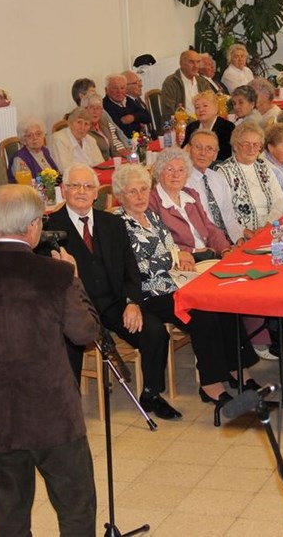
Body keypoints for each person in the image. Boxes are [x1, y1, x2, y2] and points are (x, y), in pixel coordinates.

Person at [0, 184, 99, 534]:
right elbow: (85, 332)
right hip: (54, 417)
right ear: (32, 226)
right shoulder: (56, 274)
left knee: (10, 518)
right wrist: (75, 279)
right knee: (75, 510)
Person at [111, 164, 258, 414]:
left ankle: (239, 370)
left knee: (221, 302)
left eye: (144, 189)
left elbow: (173, 248)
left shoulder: (152, 217)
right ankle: (211, 384)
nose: (140, 196)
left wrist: (182, 258)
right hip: (148, 293)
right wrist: (173, 258)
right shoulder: (117, 224)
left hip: (175, 282)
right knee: (202, 313)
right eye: (132, 192)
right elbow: (133, 267)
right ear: (120, 196)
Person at [43, 164, 181, 420]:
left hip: (115, 303)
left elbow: (131, 269)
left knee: (155, 332)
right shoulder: (49, 227)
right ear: (64, 190)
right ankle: (68, 408)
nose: (81, 191)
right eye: (74, 186)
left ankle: (151, 394)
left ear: (96, 193)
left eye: (88, 186)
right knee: (67, 342)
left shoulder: (112, 223)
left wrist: (132, 302)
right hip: (75, 308)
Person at [148, 147, 230, 260]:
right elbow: (158, 241)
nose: (176, 175)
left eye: (181, 170)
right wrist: (193, 251)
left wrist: (224, 249)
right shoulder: (151, 201)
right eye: (170, 170)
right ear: (159, 172)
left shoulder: (191, 195)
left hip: (208, 255)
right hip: (183, 260)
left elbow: (209, 227)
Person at [218, 122, 283, 234]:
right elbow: (225, 212)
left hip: (269, 229)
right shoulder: (224, 172)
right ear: (235, 146)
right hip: (241, 235)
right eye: (246, 144)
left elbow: (279, 200)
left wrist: (268, 226)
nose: (252, 149)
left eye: (256, 144)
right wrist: (246, 232)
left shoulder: (263, 166)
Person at [184, 129, 249, 244]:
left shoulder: (218, 178)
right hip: (206, 245)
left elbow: (230, 218)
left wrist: (239, 240)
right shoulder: (182, 182)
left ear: (215, 155)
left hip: (229, 243)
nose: (203, 153)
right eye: (198, 147)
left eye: (209, 149)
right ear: (188, 149)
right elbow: (193, 228)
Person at [160, 50, 214, 119]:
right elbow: (168, 112)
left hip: (204, 121)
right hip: (182, 123)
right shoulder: (170, 82)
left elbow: (212, 103)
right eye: (191, 62)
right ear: (181, 64)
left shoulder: (202, 82)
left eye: (198, 62)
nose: (195, 66)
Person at [183, 90, 235, 161]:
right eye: (197, 107)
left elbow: (226, 155)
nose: (201, 110)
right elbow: (185, 150)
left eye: (205, 106)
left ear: (216, 108)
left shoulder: (227, 127)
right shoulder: (191, 127)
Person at [8, 118, 60, 182]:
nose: (35, 138)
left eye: (38, 134)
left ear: (43, 135)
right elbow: (26, 184)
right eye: (30, 135)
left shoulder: (45, 151)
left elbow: (56, 174)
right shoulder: (19, 159)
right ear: (24, 140)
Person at [103, 73, 151, 137]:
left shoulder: (128, 100)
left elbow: (148, 117)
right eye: (115, 88)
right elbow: (122, 130)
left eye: (122, 88)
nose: (119, 91)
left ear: (126, 89)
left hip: (139, 139)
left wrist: (133, 117)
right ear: (106, 90)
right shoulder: (105, 106)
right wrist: (138, 122)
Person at [83, 93, 128, 160]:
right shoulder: (83, 129)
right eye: (92, 108)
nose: (95, 111)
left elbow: (113, 149)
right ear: (84, 110)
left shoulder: (103, 121)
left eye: (98, 108)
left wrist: (123, 157)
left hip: (112, 162)